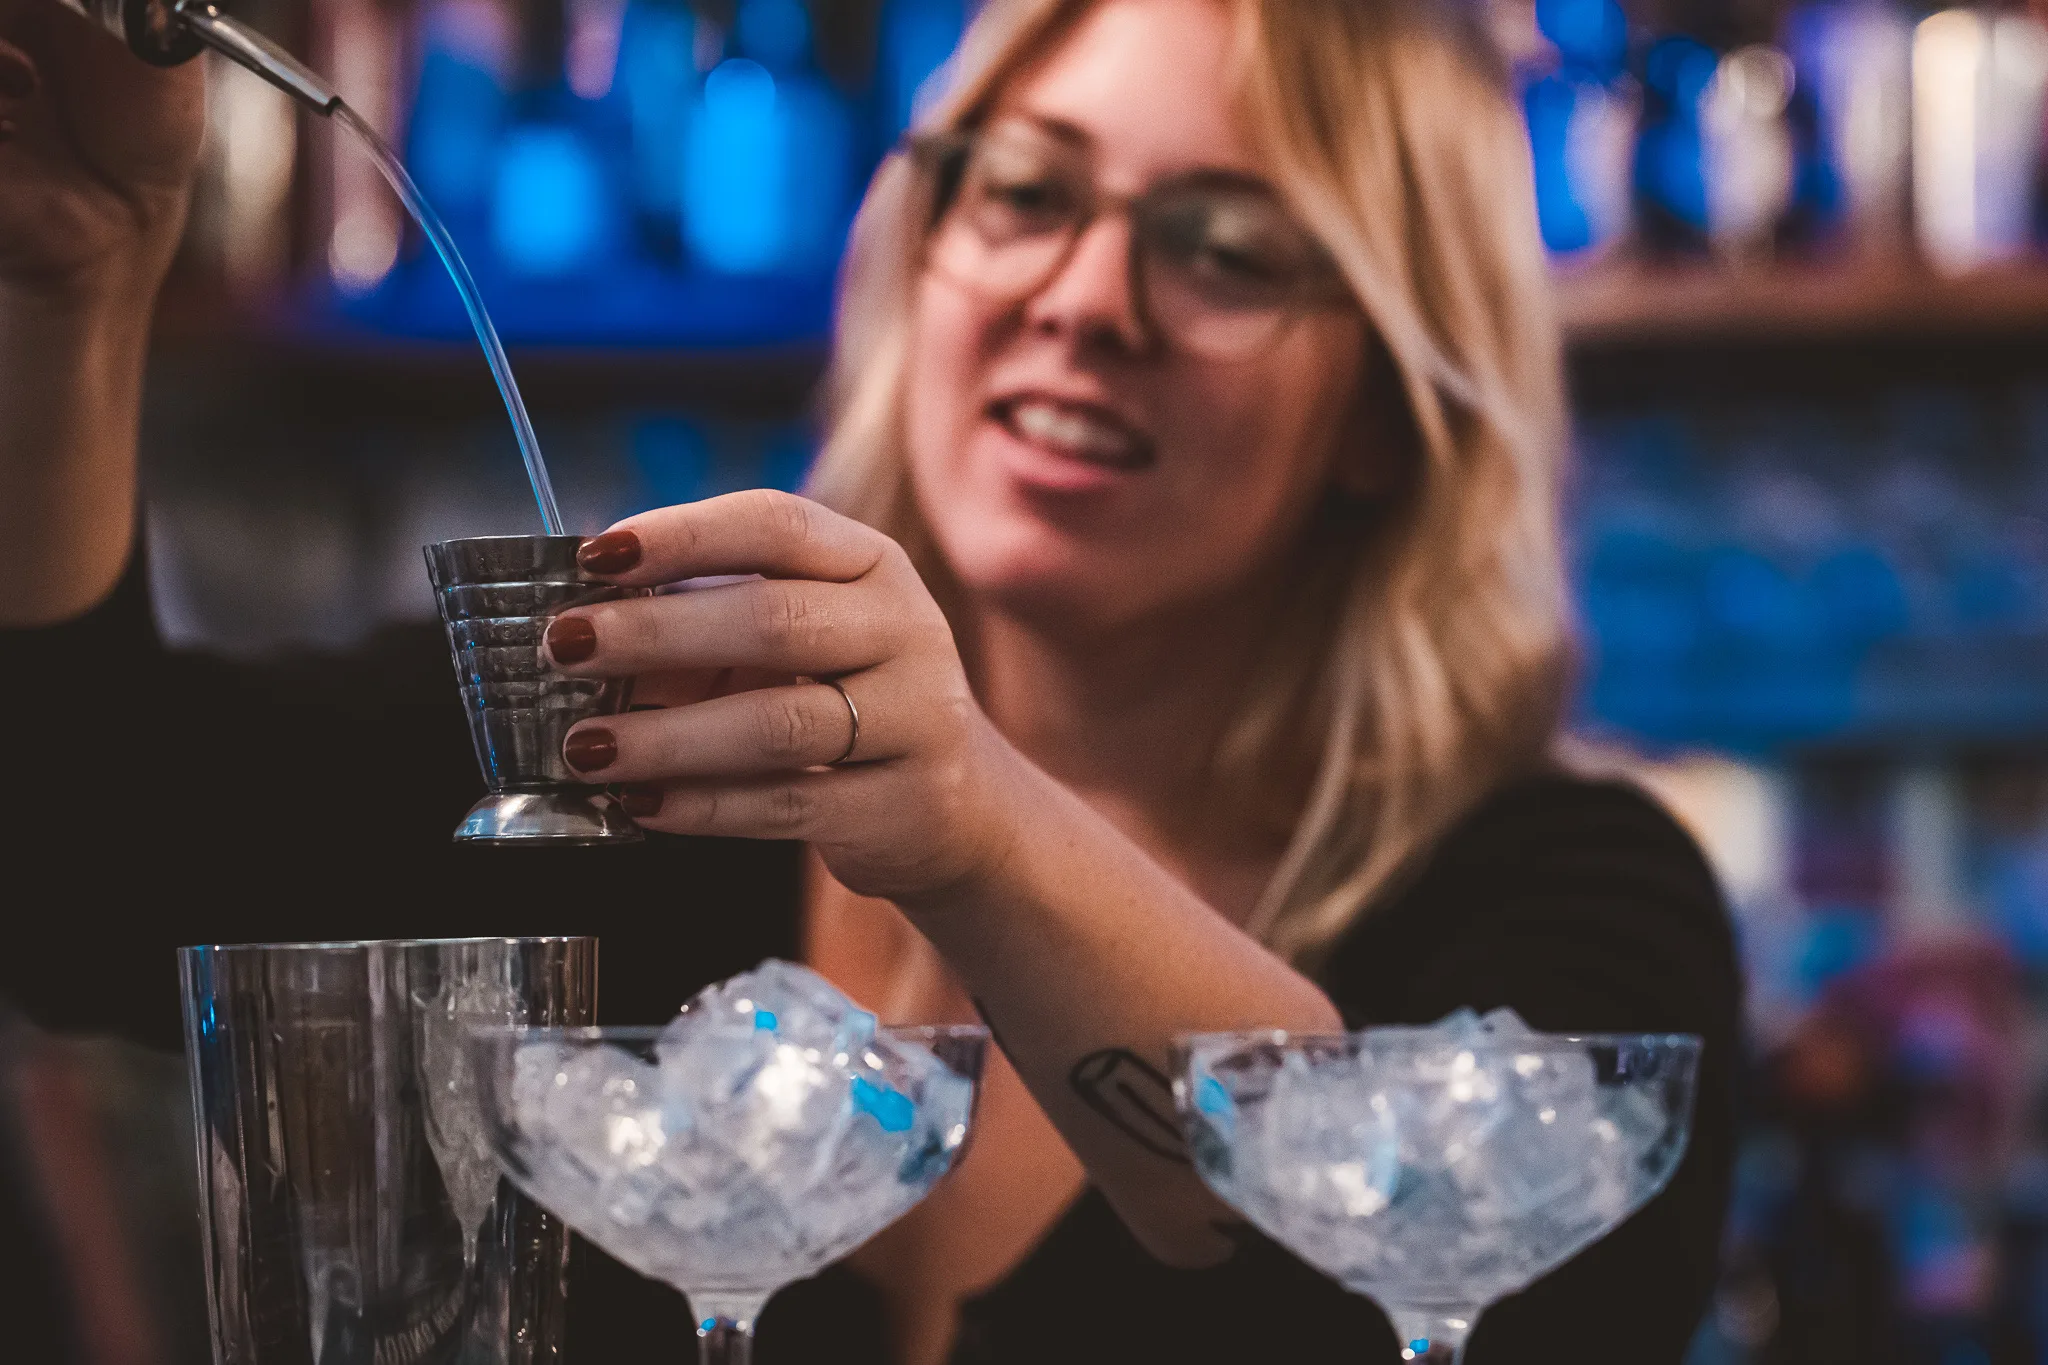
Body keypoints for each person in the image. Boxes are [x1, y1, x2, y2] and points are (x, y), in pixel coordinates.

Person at [0, 0, 1741, 1360]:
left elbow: (1493, 1316)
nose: (1085, 296)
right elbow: (68, 857)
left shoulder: (1571, 904)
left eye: (1227, 247)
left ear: (1384, 408)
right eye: (1029, 192)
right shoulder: (637, 761)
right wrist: (78, 290)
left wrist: (972, 815)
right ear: (928, 254)